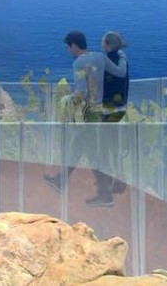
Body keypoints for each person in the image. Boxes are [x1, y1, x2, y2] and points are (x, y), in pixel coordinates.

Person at [43, 30, 127, 206]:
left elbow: (81, 93)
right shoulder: (100, 57)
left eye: (68, 47)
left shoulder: (78, 63)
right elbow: (120, 72)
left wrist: (67, 99)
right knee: (80, 147)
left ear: (74, 45)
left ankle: (105, 196)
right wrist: (122, 56)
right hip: (101, 111)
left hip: (90, 114)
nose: (68, 50)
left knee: (90, 153)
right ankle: (61, 181)